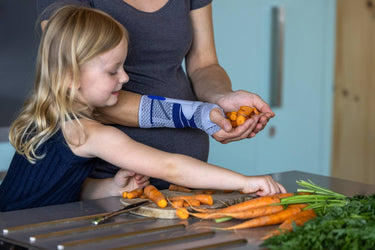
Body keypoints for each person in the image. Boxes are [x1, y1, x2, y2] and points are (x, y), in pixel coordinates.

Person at [0, 6, 285, 212]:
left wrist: (109, 188)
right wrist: (245, 182)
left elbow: (53, 188)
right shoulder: (89, 134)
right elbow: (170, 166)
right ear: (70, 76)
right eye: (114, 71)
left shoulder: (44, 118)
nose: (125, 79)